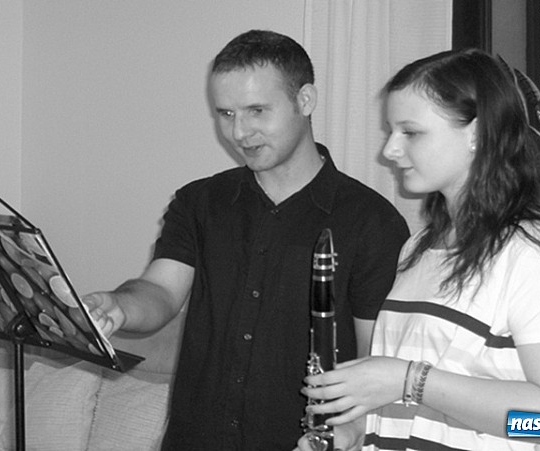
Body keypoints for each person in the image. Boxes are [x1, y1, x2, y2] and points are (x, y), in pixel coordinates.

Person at [82, 29, 409, 450]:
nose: (239, 132)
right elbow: (160, 291)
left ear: (305, 100)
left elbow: (373, 359)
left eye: (257, 110)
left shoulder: (372, 222)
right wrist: (119, 306)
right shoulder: (200, 202)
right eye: (226, 114)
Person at [296, 48, 540, 451]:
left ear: (477, 134)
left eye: (411, 132)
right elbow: (417, 407)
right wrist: (355, 432)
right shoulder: (417, 249)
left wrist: (409, 380)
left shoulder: (534, 253)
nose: (390, 150)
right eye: (391, 131)